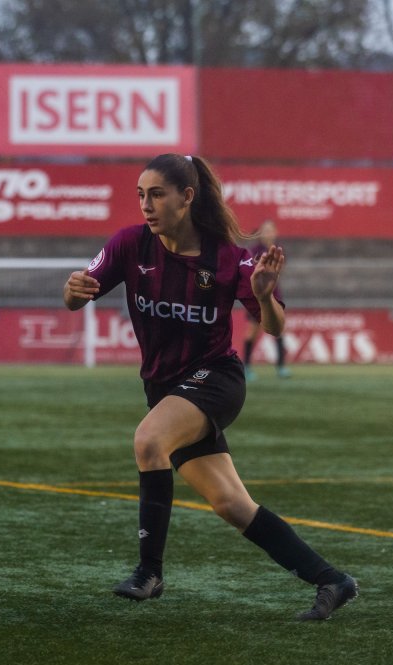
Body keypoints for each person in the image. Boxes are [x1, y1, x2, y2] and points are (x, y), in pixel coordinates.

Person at [62, 153, 357, 622]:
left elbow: (275, 327)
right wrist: (73, 291)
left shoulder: (231, 257)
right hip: (165, 389)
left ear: (187, 197)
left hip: (216, 380)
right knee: (231, 504)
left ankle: (149, 572)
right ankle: (332, 580)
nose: (146, 205)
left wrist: (263, 296)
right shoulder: (129, 245)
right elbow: (78, 293)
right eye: (140, 195)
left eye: (156, 194)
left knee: (148, 440)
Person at [241, 220, 291, 379]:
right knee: (252, 332)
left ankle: (281, 367)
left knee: (280, 329)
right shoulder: (254, 251)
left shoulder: (279, 250)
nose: (268, 233)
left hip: (275, 294)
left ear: (275, 232)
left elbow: (280, 271)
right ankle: (246, 367)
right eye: (265, 230)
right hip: (257, 295)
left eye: (270, 230)